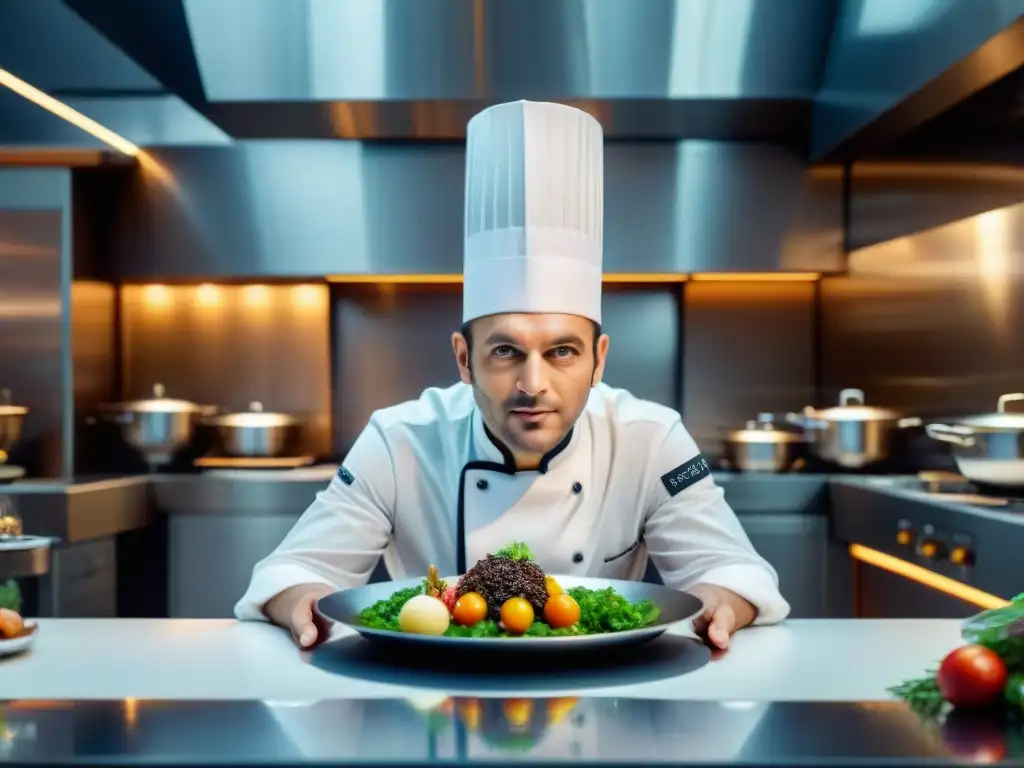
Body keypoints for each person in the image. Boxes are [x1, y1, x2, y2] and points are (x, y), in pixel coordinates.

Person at [235, 100, 790, 650]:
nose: (532, 383)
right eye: (505, 351)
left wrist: (723, 599)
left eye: (562, 352)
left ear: (599, 358)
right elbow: (297, 569)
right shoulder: (398, 440)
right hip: (432, 701)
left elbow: (730, 568)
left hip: (604, 700)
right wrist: (300, 598)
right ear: (462, 358)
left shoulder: (650, 438)